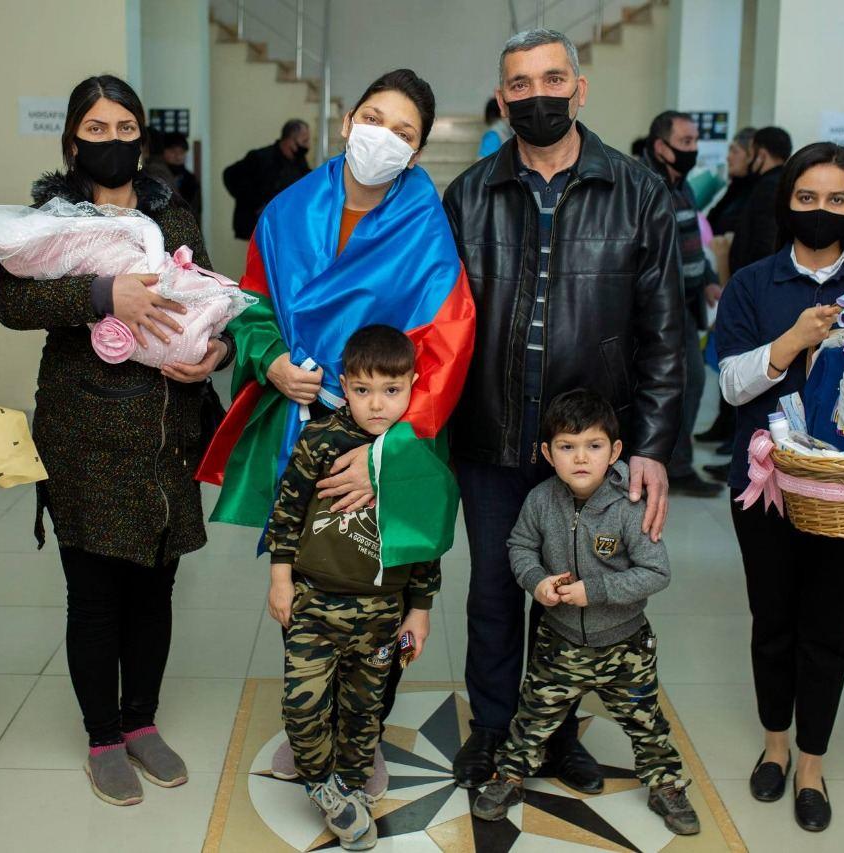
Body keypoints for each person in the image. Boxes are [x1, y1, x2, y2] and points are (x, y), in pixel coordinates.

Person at [199, 68, 474, 804]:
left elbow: (447, 341)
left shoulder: (424, 223)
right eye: (375, 118)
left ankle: (365, 731)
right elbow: (252, 304)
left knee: (378, 578)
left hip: (388, 427)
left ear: (417, 151)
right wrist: (271, 360)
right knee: (303, 572)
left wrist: (387, 451)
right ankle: (311, 724)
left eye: (404, 131)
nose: (384, 137)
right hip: (304, 420)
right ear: (349, 119)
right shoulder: (287, 211)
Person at [442, 29, 684, 793]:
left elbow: (666, 332)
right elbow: (440, 322)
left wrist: (650, 445)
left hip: (588, 446)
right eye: (519, 84)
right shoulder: (469, 194)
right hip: (489, 431)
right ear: (502, 98)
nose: (537, 95)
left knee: (575, 592)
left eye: (552, 79)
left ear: (580, 89)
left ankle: (554, 731)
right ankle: (493, 726)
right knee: (493, 588)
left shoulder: (639, 192)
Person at [0, 75, 232, 807]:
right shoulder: (53, 219)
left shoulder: (172, 213)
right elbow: (12, 301)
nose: (112, 141)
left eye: (125, 127)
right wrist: (103, 294)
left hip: (165, 431)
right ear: (72, 142)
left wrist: (215, 353)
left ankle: (141, 721)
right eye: (96, 129)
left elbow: (211, 299)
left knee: (155, 589)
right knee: (95, 596)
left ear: (142, 138)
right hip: (84, 433)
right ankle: (103, 736)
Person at [714, 142, 844, 833]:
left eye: (838, 199)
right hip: (765, 484)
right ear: (787, 203)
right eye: (808, 197)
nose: (822, 210)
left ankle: (811, 762)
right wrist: (791, 343)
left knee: (829, 629)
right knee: (773, 621)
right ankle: (774, 746)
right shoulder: (753, 283)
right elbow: (730, 383)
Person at [470, 389, 699, 837]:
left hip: (625, 647)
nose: (580, 458)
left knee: (646, 723)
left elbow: (656, 572)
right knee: (532, 718)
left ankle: (666, 786)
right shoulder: (541, 500)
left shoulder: (629, 506)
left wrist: (594, 591)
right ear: (547, 453)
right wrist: (536, 581)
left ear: (615, 451)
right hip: (559, 643)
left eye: (593, 446)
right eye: (566, 447)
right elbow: (520, 546)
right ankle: (509, 776)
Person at [266, 325, 441, 851]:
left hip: (383, 612)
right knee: (303, 706)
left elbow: (425, 540)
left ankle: (347, 785)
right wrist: (280, 579)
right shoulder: (320, 440)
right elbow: (286, 512)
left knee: (365, 711)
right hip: (314, 605)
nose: (377, 404)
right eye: (363, 390)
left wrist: (420, 610)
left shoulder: (415, 450)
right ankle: (320, 783)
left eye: (392, 390)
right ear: (344, 385)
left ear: (413, 385)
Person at [643, 110, 723, 498]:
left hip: (688, 303)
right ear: (662, 147)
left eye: (695, 141)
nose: (693, 150)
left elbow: (692, 242)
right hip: (660, 308)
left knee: (691, 383)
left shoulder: (682, 185)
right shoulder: (645, 186)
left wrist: (707, 279)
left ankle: (675, 462)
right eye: (686, 142)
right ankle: (669, 464)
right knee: (675, 385)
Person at [697, 126, 759, 461]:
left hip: (733, 278)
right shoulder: (733, 188)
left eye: (736, 150)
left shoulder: (756, 194)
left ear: (752, 154)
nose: (729, 156)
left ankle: (733, 430)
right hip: (718, 274)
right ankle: (723, 424)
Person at [222, 118, 311, 239]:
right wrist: (254, 203)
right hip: (259, 229)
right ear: (290, 140)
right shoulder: (261, 158)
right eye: (304, 141)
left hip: (285, 229)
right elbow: (229, 175)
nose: (308, 145)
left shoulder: (300, 162)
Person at [729, 126, 792, 275]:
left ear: (761, 155)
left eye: (751, 154)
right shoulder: (784, 182)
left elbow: (765, 241)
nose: (748, 160)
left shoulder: (768, 187)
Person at [146, 130, 202, 222]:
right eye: (173, 151)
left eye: (182, 152)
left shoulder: (190, 179)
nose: (178, 156)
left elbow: (196, 210)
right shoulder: (156, 173)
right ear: (163, 152)